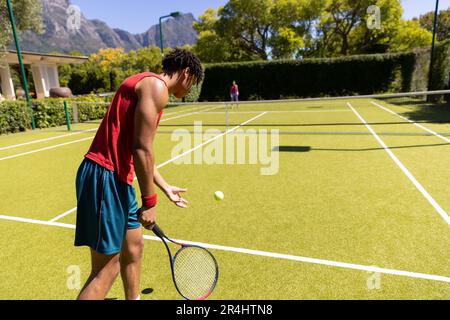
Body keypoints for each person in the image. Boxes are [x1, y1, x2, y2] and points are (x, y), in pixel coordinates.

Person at [74, 48, 204, 300]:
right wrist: (150, 203)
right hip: (105, 175)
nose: (190, 90)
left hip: (118, 178)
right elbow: (141, 149)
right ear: (186, 73)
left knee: (134, 246)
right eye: (193, 83)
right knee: (106, 269)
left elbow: (139, 149)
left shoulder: (146, 82)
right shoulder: (157, 88)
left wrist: (164, 187)